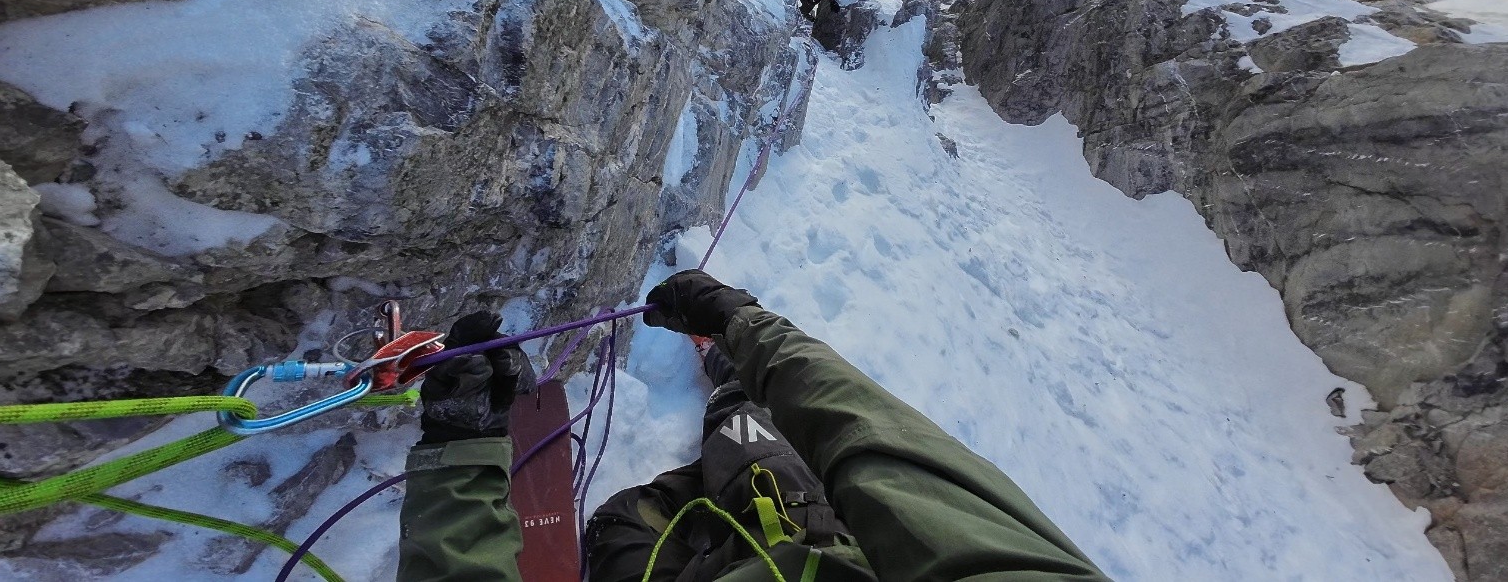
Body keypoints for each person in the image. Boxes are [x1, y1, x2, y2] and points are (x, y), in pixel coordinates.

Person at [395, 271, 1111, 581]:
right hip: (803, 540)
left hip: (744, 549)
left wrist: (459, 460)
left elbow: (875, 439)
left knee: (638, 514)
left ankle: (732, 404)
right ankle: (732, 389)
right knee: (747, 440)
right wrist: (743, 324)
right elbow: (884, 448)